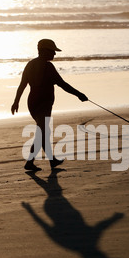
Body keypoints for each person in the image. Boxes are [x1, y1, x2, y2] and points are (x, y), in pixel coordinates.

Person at [11, 39, 88, 171]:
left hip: (33, 103)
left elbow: (22, 85)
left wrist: (16, 101)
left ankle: (43, 161)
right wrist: (79, 94)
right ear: (43, 51)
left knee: (42, 132)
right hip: (43, 104)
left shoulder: (30, 64)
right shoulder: (48, 67)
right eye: (52, 51)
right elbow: (62, 84)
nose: (54, 54)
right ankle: (38, 162)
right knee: (42, 132)